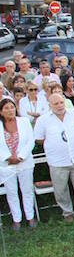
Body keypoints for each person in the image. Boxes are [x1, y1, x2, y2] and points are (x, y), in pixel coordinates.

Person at [33, 93, 74, 222]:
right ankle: (67, 212)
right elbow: (39, 139)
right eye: (56, 104)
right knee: (60, 189)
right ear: (50, 105)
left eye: (61, 102)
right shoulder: (43, 120)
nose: (60, 106)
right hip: (57, 161)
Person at [0, 98, 36, 230]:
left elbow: (31, 141)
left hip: (24, 162)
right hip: (6, 164)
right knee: (11, 192)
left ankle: (30, 217)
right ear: (1, 112)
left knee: (27, 190)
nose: (10, 110)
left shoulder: (24, 121)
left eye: (12, 107)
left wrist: (20, 157)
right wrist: (8, 158)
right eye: (6, 108)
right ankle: (17, 219)